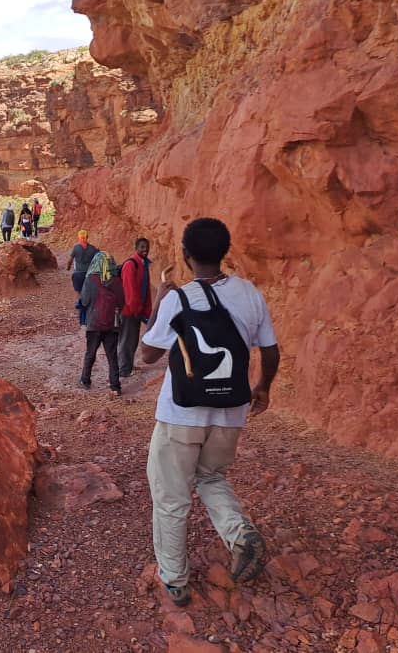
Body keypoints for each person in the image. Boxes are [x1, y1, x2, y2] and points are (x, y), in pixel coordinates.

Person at [139, 218, 280, 609]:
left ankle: (175, 581)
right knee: (211, 475)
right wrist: (263, 386)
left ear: (185, 256)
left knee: (171, 497)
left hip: (181, 413)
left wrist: (158, 304)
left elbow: (147, 355)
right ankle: (239, 535)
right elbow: (269, 349)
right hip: (230, 410)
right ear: (224, 253)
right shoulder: (249, 294)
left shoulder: (178, 298)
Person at [78, 251, 124, 394]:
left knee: (90, 353)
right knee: (112, 356)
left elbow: (84, 301)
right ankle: (115, 386)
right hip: (112, 324)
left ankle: (85, 380)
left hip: (94, 323)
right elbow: (122, 302)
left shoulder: (90, 279)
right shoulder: (116, 280)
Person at [118, 238, 152, 378]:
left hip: (136, 309)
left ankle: (128, 365)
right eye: (142, 247)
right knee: (127, 339)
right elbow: (129, 289)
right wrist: (135, 309)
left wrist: (145, 310)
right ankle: (124, 369)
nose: (145, 250)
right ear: (136, 248)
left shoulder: (143, 264)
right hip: (128, 310)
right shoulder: (131, 265)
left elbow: (145, 290)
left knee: (132, 339)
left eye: (147, 247)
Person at [66, 230, 98, 325]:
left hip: (78, 274)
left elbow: (70, 260)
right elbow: (98, 257)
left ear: (79, 238)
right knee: (90, 292)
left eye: (82, 238)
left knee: (79, 293)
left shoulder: (76, 248)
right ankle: (90, 310)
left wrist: (68, 268)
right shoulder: (92, 249)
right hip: (89, 274)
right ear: (87, 237)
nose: (83, 239)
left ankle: (81, 311)